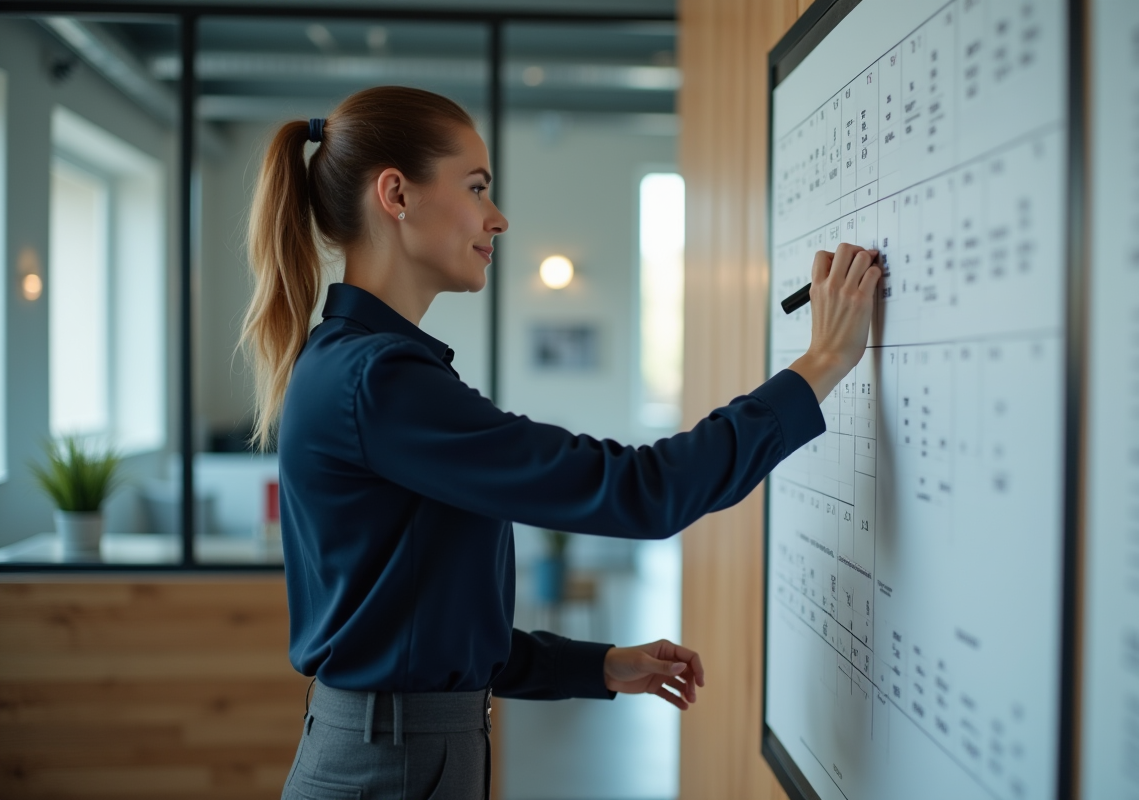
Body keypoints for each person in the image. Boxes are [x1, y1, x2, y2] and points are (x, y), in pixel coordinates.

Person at [241, 86, 880, 800]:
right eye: (477, 187)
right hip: (391, 769)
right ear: (396, 194)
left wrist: (600, 666)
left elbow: (426, 632)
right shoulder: (379, 381)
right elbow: (642, 493)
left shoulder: (363, 367)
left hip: (397, 755)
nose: (497, 216)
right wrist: (820, 364)